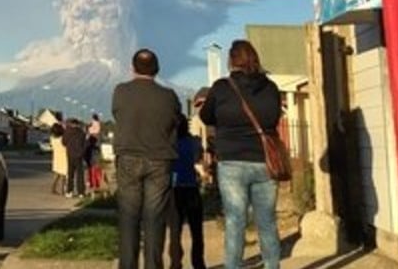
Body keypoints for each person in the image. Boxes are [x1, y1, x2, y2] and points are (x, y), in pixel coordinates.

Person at [200, 40, 283, 269]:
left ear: (231, 61)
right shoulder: (271, 87)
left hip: (232, 162)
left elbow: (206, 117)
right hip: (264, 162)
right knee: (267, 221)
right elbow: (275, 117)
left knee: (236, 221)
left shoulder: (221, 88)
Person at [112, 48, 183, 269]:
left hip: (128, 158)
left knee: (129, 217)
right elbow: (176, 120)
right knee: (155, 219)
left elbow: (117, 114)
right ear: (157, 69)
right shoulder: (169, 96)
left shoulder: (120, 91)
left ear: (132, 68)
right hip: (160, 160)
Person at [167, 114, 206, 269]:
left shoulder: (169, 145)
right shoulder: (194, 143)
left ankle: (175, 263)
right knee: (196, 232)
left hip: (174, 190)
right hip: (191, 188)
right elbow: (199, 161)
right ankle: (198, 263)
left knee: (175, 232)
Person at [63, 118, 88, 198]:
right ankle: (81, 192)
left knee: (70, 174)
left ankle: (69, 191)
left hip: (70, 155)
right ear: (78, 124)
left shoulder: (67, 132)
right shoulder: (81, 133)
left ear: (71, 124)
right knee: (80, 174)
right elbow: (85, 144)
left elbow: (64, 142)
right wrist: (82, 152)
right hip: (79, 156)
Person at [50, 122, 68, 195]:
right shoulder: (62, 138)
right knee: (64, 174)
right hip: (64, 156)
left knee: (57, 174)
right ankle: (62, 190)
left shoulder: (52, 138)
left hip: (56, 156)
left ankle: (53, 188)